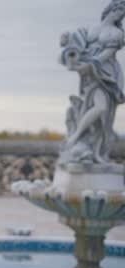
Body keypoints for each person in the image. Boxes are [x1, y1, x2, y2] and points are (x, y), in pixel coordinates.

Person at [62, 0, 125, 164]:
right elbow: (74, 47)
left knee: (103, 109)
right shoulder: (91, 29)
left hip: (106, 74)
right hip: (89, 74)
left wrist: (89, 65)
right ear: (111, 10)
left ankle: (80, 140)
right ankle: (82, 143)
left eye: (123, 13)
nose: (121, 15)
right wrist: (66, 42)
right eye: (119, 11)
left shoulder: (117, 33)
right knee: (89, 107)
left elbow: (106, 55)